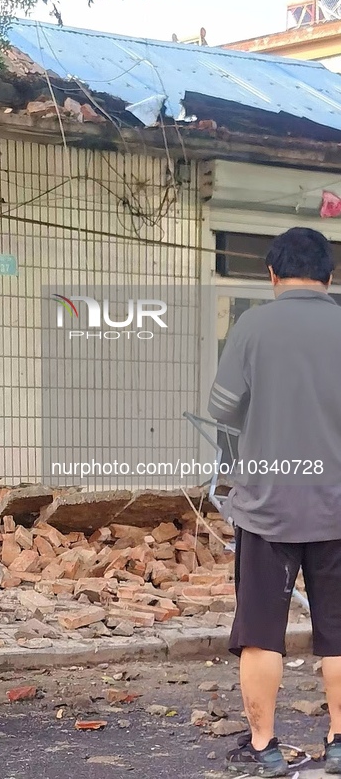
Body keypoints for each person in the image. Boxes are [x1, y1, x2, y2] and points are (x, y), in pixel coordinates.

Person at [208, 227, 341, 777]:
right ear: (330, 276)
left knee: (263, 633)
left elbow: (223, 411)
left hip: (266, 508)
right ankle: (338, 743)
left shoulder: (253, 326)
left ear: (272, 275)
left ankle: (264, 747)